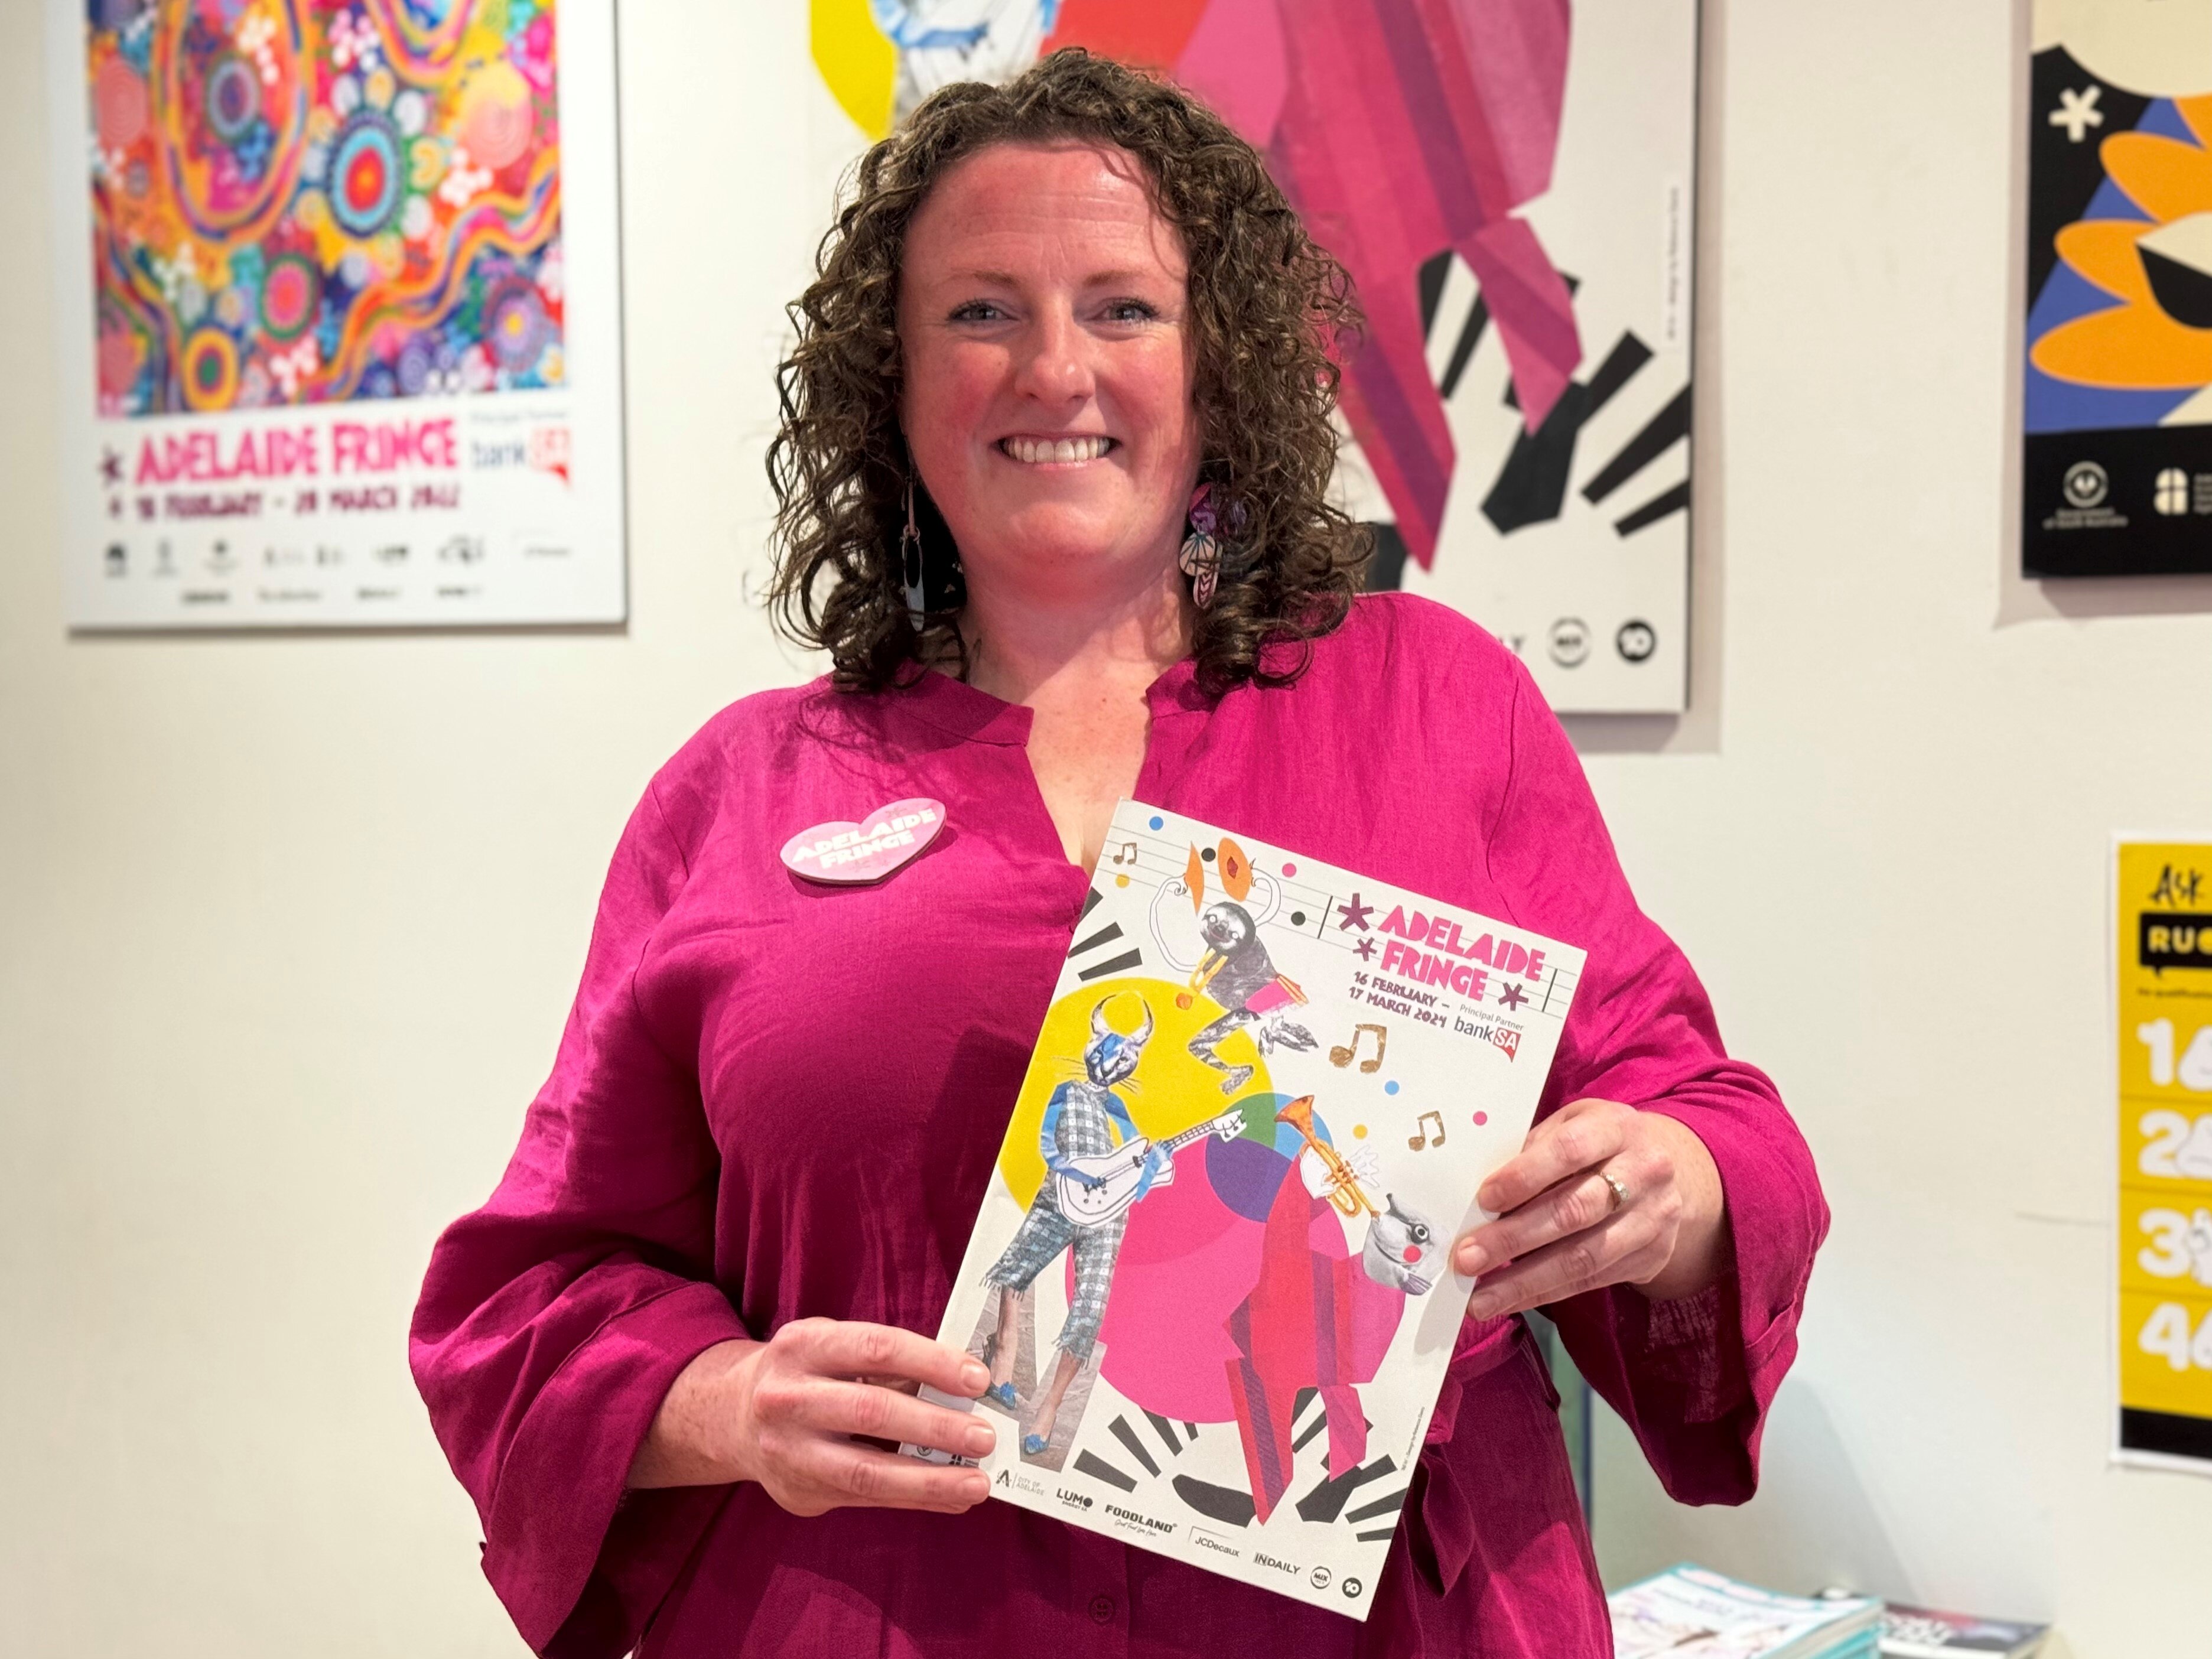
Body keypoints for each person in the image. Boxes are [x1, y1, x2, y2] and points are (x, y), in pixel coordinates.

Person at [411, 50, 1828, 1659]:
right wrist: (723, 1402)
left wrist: (1673, 1185)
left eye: (1123, 308)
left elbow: (1705, 1115)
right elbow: (529, 1293)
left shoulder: (1437, 706)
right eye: (981, 312)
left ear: (1219, 365)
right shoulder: (736, 792)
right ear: (890, 378)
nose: (1053, 368)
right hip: (875, 1616)